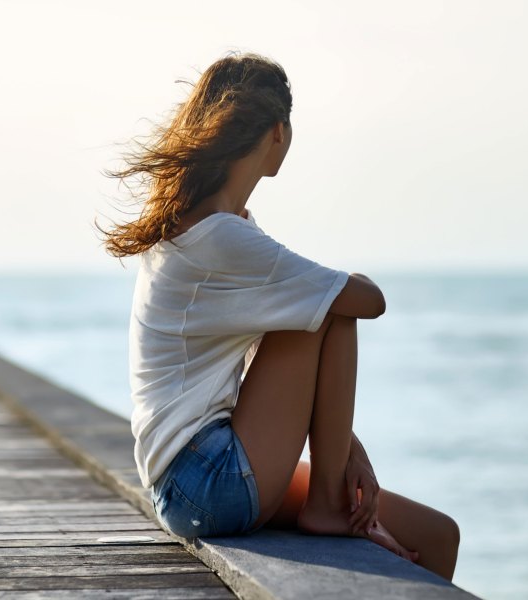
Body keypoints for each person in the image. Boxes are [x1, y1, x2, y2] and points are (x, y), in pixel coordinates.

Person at [100, 52, 459, 581]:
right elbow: (366, 300)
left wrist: (348, 451)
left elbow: (269, 355)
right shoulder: (221, 238)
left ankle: (331, 497)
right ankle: (328, 506)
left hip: (196, 478)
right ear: (278, 132)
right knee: (336, 305)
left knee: (435, 536)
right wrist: (335, 469)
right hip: (204, 479)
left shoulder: (212, 227)